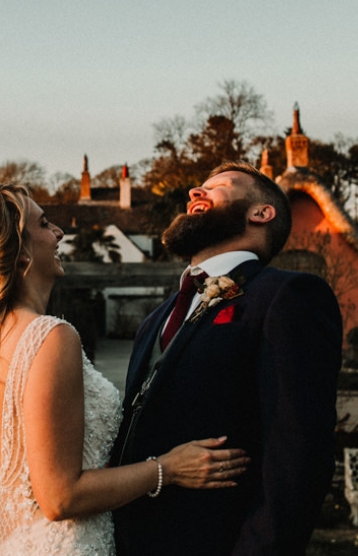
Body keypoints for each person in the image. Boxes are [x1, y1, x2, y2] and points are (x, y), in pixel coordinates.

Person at [0, 185, 249, 555]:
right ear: (20, 251)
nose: (58, 233)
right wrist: (168, 468)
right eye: (44, 224)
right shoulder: (49, 337)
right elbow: (60, 498)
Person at [111, 162, 343, 555]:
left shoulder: (286, 297)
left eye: (219, 186)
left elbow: (299, 454)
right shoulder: (155, 320)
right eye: (198, 187)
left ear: (261, 213)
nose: (195, 193)